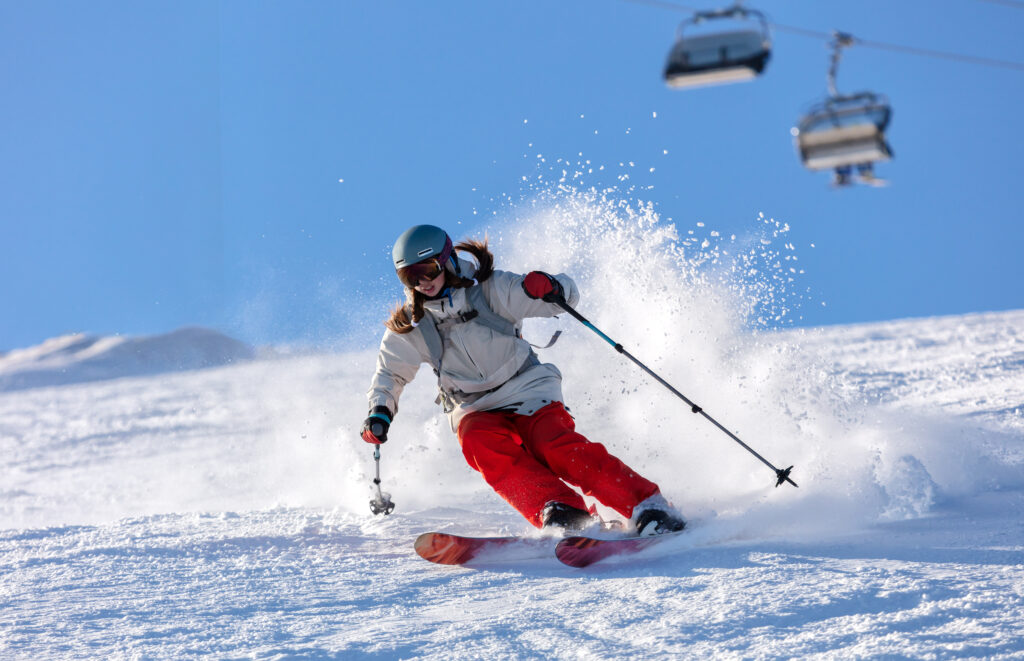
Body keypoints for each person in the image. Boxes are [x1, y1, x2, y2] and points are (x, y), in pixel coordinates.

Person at [361, 224, 685, 535]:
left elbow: (564, 297)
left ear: (447, 261)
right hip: (472, 406)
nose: (422, 282)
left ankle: (647, 505)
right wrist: (380, 411)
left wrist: (549, 288)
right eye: (410, 276)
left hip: (527, 388)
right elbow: (390, 372)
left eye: (428, 269)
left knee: (554, 445)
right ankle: (560, 509)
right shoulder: (412, 324)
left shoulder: (491, 290)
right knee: (480, 444)